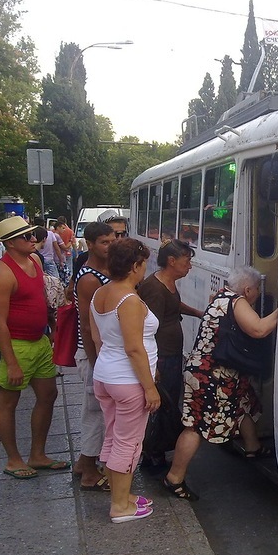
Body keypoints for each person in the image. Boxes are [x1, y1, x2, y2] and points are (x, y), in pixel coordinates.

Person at [162, 266, 278, 501]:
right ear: (248, 290)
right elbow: (259, 330)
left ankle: (253, 447)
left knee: (244, 402)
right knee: (196, 426)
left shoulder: (222, 296)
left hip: (220, 371)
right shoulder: (237, 301)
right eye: (257, 289)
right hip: (211, 376)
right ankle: (174, 478)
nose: (258, 294)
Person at [0, 216, 68, 479]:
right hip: (15, 344)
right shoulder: (2, 273)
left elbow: (41, 299)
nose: (33, 239)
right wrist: (11, 362)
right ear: (10, 243)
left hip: (39, 341)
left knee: (48, 395)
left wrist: (52, 326)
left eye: (32, 234)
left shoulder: (34, 260)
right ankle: (13, 460)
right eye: (26, 236)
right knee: (8, 402)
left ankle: (38, 454)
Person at [89, 238, 160, 523]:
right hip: (128, 381)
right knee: (128, 443)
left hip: (106, 375)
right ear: (135, 266)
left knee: (113, 436)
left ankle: (121, 494)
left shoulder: (100, 293)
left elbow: (97, 338)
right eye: (143, 264)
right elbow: (134, 348)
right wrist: (150, 388)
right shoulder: (129, 300)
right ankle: (119, 506)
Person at [137, 240, 203, 471]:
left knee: (170, 402)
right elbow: (146, 329)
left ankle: (158, 450)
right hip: (162, 356)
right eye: (187, 261)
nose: (190, 266)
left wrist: (197, 313)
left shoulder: (167, 284)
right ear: (172, 261)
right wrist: (152, 365)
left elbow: (174, 306)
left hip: (171, 354)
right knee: (161, 406)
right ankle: (152, 453)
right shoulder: (154, 288)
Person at [73, 222, 116, 491]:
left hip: (102, 351)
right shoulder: (90, 278)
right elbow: (87, 325)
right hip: (93, 353)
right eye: (104, 242)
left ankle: (83, 463)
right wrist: (96, 362)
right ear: (90, 244)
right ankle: (89, 472)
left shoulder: (105, 271)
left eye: (113, 240)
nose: (110, 246)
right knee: (95, 412)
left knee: (98, 410)